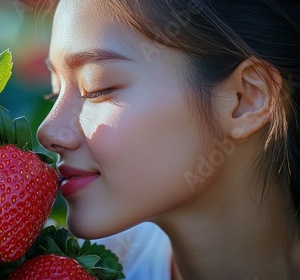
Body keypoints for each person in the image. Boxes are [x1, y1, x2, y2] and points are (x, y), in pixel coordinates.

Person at [36, 0, 300, 279]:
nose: (48, 131)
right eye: (55, 93)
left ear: (245, 99)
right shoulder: (75, 268)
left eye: (97, 88)